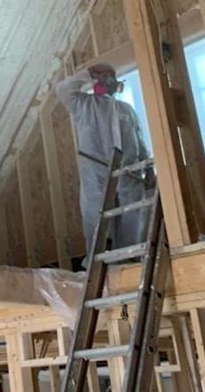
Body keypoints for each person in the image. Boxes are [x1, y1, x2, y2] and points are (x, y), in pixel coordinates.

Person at [56, 64, 152, 266]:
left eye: (112, 76)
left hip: (129, 173)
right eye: (104, 76)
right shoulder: (84, 104)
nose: (108, 80)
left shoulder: (127, 110)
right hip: (96, 172)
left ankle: (131, 258)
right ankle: (97, 260)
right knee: (95, 216)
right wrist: (87, 74)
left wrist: (149, 171)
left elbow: (140, 141)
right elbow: (62, 90)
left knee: (132, 216)